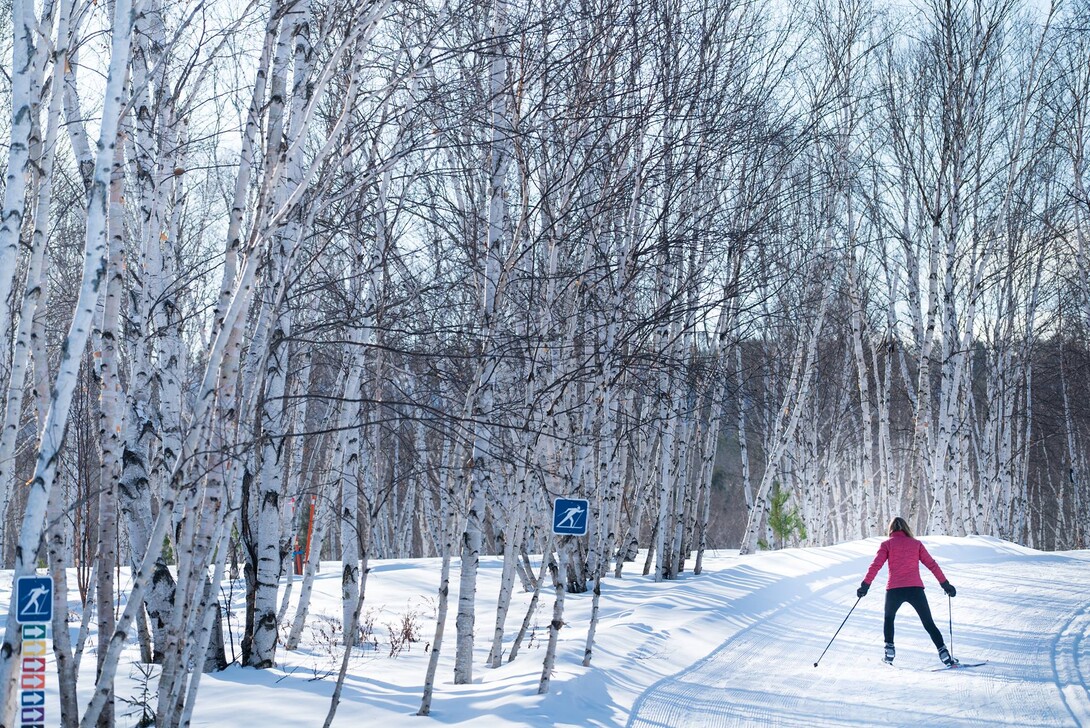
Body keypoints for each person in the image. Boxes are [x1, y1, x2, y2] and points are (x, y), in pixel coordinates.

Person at [856, 516, 958, 666]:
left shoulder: (887, 545)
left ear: (891, 529)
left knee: (889, 619)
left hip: (894, 590)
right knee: (928, 623)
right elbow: (932, 564)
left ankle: (889, 653)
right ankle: (944, 655)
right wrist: (945, 584)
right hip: (915, 589)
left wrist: (865, 585)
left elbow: (875, 566)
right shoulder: (916, 544)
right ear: (906, 528)